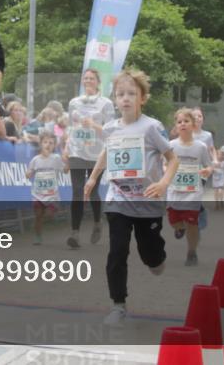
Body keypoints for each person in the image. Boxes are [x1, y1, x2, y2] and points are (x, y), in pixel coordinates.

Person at [84, 68, 179, 325]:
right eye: (120, 94)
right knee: (117, 252)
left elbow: (172, 159)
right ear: (115, 99)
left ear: (142, 98)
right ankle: (118, 304)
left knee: (150, 254)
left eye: (131, 94)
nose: (125, 98)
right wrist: (93, 178)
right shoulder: (111, 128)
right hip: (119, 200)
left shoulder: (151, 127)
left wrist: (163, 183)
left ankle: (156, 257)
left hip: (148, 201)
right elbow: (107, 152)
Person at [63, 67, 116, 249]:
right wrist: (66, 148)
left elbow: (110, 131)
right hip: (77, 151)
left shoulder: (106, 104)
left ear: (98, 82)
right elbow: (71, 128)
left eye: (91, 78)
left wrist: (93, 124)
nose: (88, 81)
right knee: (77, 191)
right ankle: (75, 233)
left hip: (97, 153)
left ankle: (96, 222)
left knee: (92, 191)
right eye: (85, 79)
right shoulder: (74, 102)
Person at [166, 108, 213, 266]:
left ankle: (191, 252)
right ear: (176, 126)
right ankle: (180, 228)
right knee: (173, 221)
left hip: (193, 193)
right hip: (174, 192)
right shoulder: (171, 146)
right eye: (179, 122)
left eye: (186, 121)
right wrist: (166, 170)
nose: (183, 124)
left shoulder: (200, 147)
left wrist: (207, 170)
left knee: (192, 224)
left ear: (193, 125)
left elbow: (209, 165)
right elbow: (164, 164)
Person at [26, 130, 66, 245]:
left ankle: (50, 216)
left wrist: (68, 163)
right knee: (38, 216)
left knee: (48, 214)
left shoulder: (56, 158)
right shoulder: (35, 160)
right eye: (45, 142)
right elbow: (30, 172)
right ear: (41, 144)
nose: (48, 145)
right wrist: (28, 174)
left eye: (51, 143)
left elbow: (65, 170)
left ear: (54, 145)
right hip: (38, 194)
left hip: (52, 195)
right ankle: (38, 237)